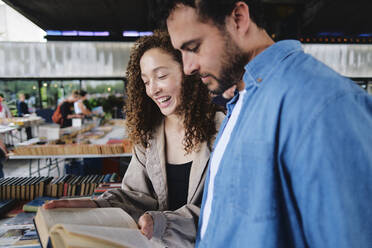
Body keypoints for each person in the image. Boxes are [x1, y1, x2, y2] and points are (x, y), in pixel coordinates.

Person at [162, 1, 372, 247]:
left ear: (238, 18)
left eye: (194, 47)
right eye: (181, 53)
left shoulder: (323, 104)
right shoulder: (241, 102)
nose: (187, 67)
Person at [44, 30, 224, 248]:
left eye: (161, 76)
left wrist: (162, 223)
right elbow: (136, 196)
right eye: (146, 81)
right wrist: (96, 205)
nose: (153, 89)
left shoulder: (223, 129)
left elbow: (223, 209)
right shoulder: (149, 135)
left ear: (188, 71)